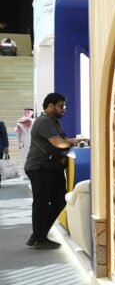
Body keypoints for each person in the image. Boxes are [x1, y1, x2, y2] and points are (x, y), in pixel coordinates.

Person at [24, 93, 86, 248]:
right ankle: (39, 238)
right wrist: (73, 142)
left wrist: (73, 141)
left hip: (50, 168)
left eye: (63, 106)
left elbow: (61, 141)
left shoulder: (52, 121)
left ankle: (38, 235)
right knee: (41, 204)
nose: (63, 109)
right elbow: (58, 143)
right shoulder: (45, 121)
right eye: (60, 106)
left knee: (58, 201)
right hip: (40, 168)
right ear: (50, 106)